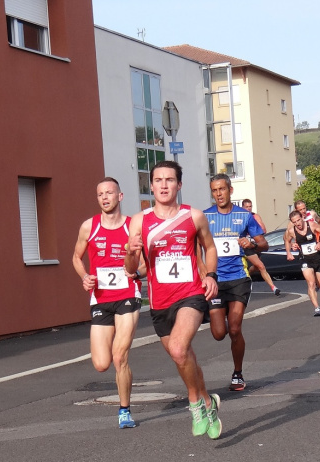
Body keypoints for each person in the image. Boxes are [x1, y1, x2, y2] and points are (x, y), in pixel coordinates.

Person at [124, 160, 222, 440]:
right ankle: (208, 402)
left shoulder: (193, 216)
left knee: (180, 350)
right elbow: (131, 268)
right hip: (159, 302)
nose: (164, 185)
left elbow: (210, 247)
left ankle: (194, 404)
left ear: (179, 184)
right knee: (184, 358)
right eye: (158, 180)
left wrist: (211, 275)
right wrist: (131, 252)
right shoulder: (140, 221)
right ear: (151, 185)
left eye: (170, 180)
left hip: (191, 293)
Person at [72, 178, 144, 429]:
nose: (104, 197)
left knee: (119, 356)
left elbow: (145, 264)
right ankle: (122, 389)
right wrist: (85, 277)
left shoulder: (132, 227)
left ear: (120, 196)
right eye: (100, 194)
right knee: (101, 363)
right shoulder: (88, 227)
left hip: (128, 295)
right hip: (101, 298)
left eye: (109, 193)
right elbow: (75, 257)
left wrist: (136, 272)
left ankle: (124, 410)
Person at [203, 176, 268, 392]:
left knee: (234, 327)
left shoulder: (244, 215)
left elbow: (263, 244)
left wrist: (251, 243)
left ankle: (238, 373)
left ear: (230, 190)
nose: (219, 194)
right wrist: (204, 273)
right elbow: (194, 246)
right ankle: (215, 315)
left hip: (239, 277)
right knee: (218, 333)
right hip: (216, 280)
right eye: (214, 190)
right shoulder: (205, 216)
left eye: (222, 189)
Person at [285, 210, 320, 316]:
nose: (298, 223)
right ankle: (317, 308)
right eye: (294, 222)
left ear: (302, 218)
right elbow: (287, 240)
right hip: (305, 259)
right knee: (311, 283)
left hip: (317, 257)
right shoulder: (291, 231)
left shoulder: (311, 225)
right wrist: (290, 250)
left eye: (298, 220)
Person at [241, 199, 280, 295]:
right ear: (243, 207)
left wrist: (255, 228)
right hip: (246, 247)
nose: (249, 208)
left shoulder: (255, 216)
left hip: (255, 245)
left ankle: (247, 276)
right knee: (261, 266)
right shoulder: (239, 217)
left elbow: (263, 230)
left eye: (250, 206)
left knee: (256, 267)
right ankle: (273, 287)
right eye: (246, 207)